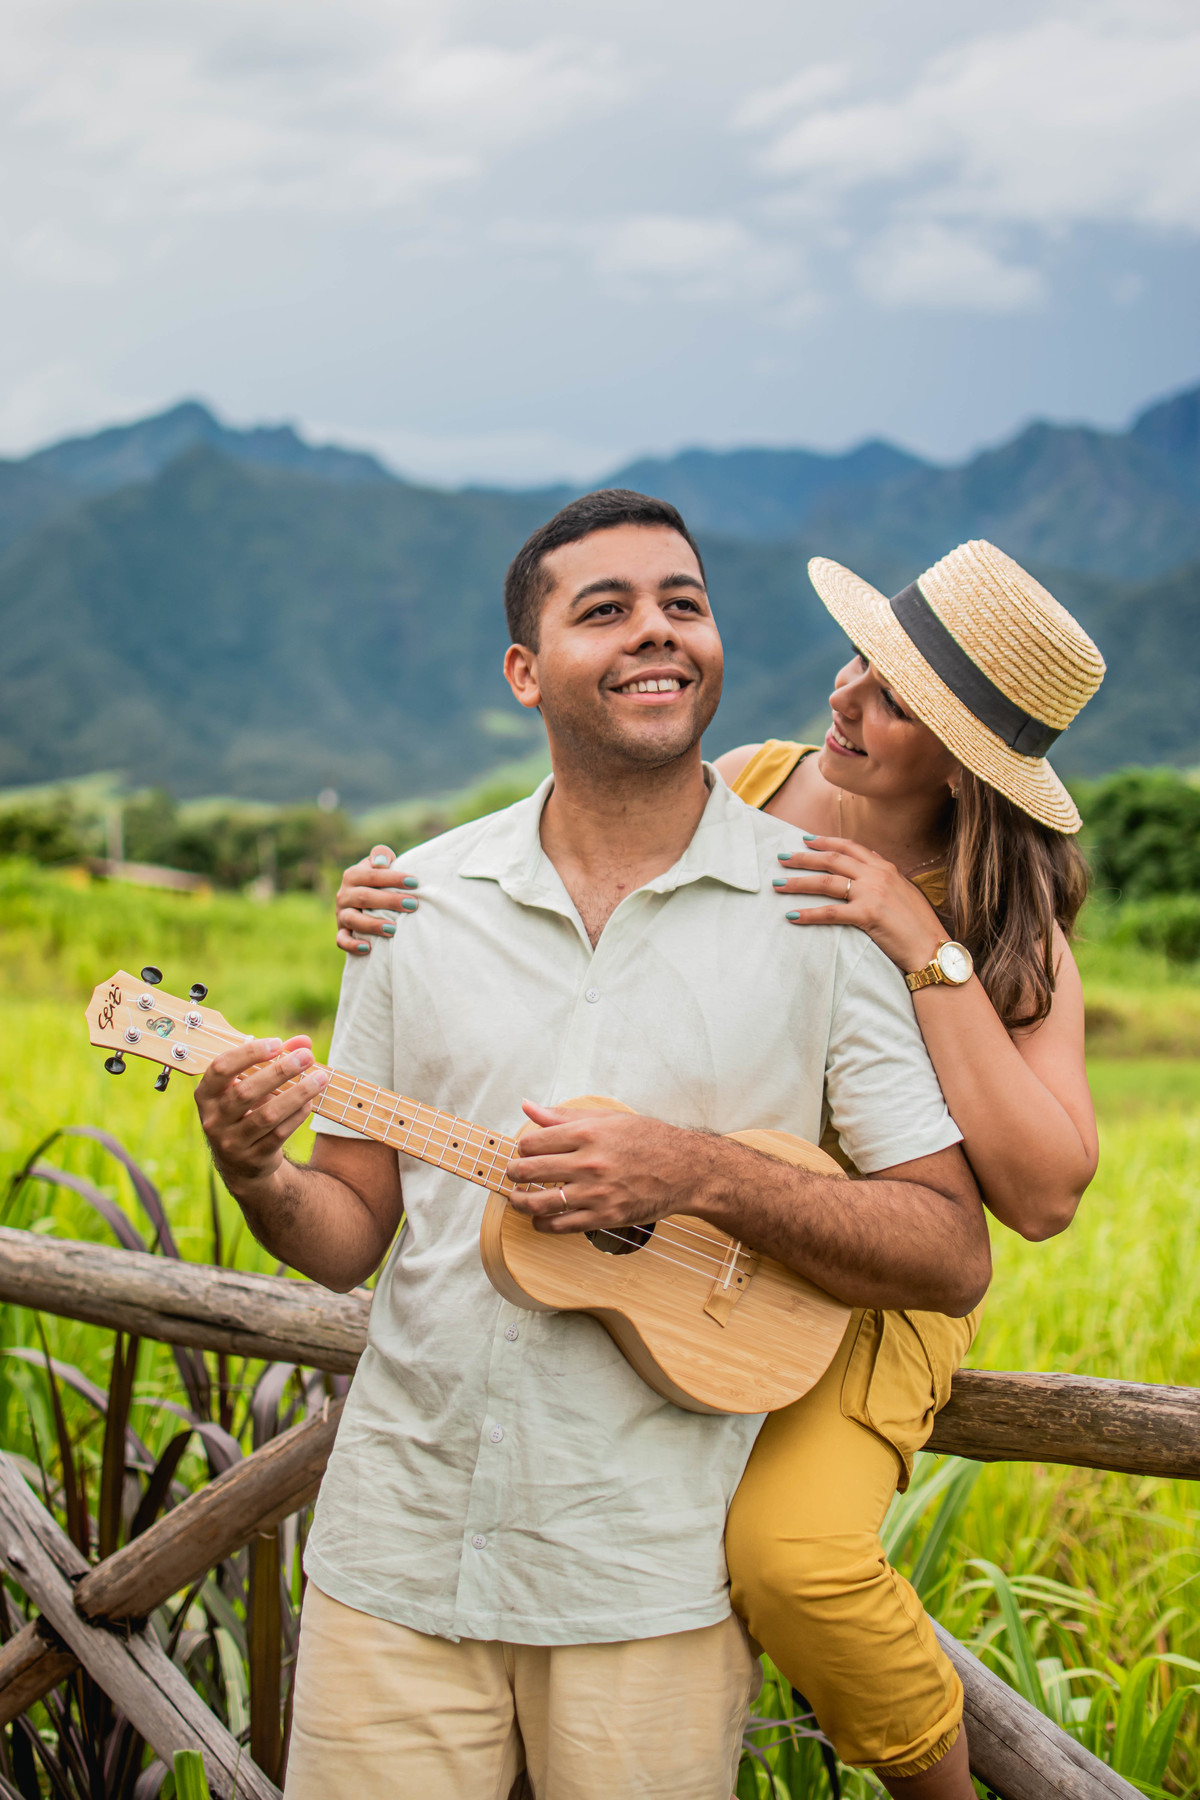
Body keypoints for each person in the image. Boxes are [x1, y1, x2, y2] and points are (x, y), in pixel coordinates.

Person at [196, 488, 988, 1800]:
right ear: (525, 672)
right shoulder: (412, 906)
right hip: (397, 1559)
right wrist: (251, 1168)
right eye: (605, 610)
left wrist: (700, 1173)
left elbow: (950, 1246)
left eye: (684, 603)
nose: (657, 633)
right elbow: (343, 1234)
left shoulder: (825, 916)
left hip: (651, 1583)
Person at [334, 531, 1105, 1798]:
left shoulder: (1002, 921)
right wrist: (408, 903)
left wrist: (921, 941)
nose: (847, 696)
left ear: (969, 767)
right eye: (862, 661)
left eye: (898, 701)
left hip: (871, 1275)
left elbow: (1038, 1195)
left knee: (790, 1555)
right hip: (682, 1249)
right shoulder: (746, 783)